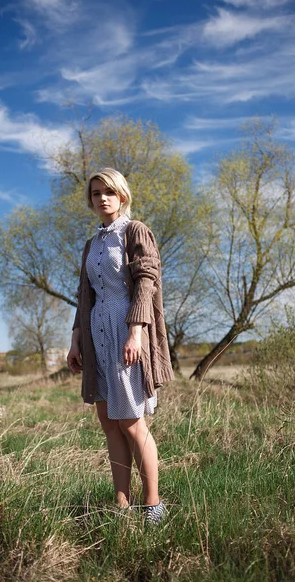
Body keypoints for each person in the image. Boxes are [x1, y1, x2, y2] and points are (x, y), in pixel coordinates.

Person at [67, 167, 173, 524]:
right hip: (97, 331)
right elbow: (85, 294)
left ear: (122, 195)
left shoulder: (135, 231)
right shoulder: (91, 244)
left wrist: (136, 332)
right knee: (109, 422)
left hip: (128, 327)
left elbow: (147, 281)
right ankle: (121, 507)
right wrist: (76, 338)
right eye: (96, 193)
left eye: (109, 192)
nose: (102, 198)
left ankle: (152, 506)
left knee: (131, 422)